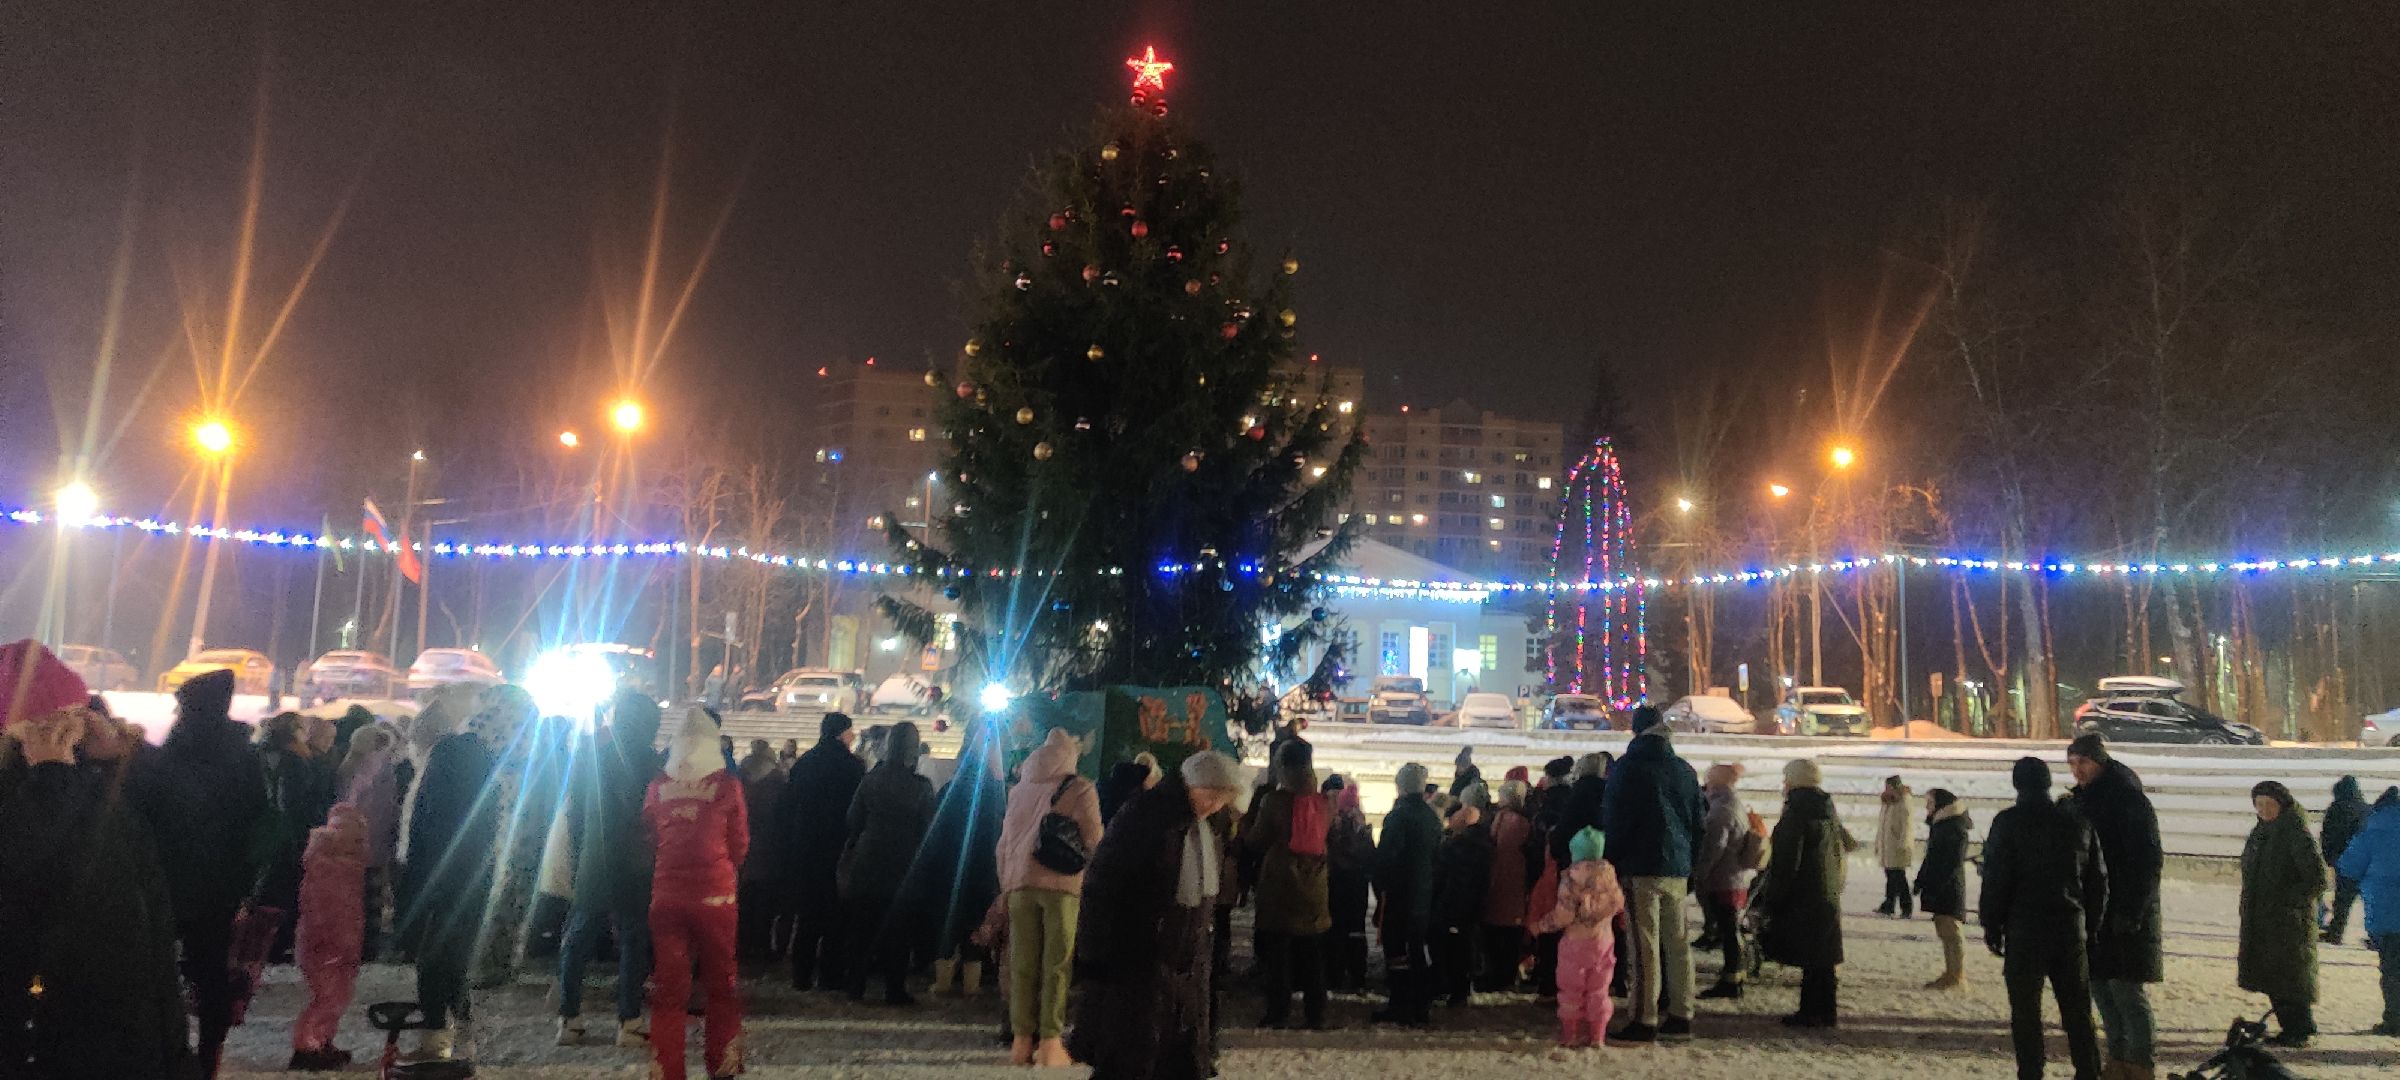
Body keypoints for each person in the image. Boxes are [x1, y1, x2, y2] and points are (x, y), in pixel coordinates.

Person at [0, 650, 190, 1080]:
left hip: (127, 1034)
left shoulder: (103, 791)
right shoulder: (37, 796)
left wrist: (130, 758)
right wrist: (50, 779)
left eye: (75, 719)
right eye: (52, 723)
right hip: (49, 1040)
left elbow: (192, 828)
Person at [1067, 750, 1246, 1080]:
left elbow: (1205, 906)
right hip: (1138, 964)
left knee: (1175, 1060)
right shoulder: (1145, 818)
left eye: (1222, 799)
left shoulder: (1202, 830)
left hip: (1186, 973)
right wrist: (1095, 957)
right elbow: (1102, 886)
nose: (1215, 806)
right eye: (1212, 796)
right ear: (1192, 785)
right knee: (1129, 1059)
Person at [138, 667, 267, 1078]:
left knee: (160, 970)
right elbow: (257, 820)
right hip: (219, 884)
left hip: (167, 880)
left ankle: (165, 1051)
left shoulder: (173, 754)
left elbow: (152, 815)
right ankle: (208, 1056)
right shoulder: (243, 757)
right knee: (209, 971)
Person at [396, 685, 504, 1061]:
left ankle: (435, 1035)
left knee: (434, 959)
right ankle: (463, 1031)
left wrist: (412, 887)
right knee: (455, 957)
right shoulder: (479, 764)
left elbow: (422, 830)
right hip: (473, 875)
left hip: (439, 877)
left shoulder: (442, 761)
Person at [1982, 756, 2105, 1080]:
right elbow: (2096, 881)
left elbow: (1996, 878)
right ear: (2049, 782)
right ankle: (2089, 1070)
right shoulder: (2076, 823)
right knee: (2077, 1011)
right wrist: (2090, 927)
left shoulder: (2007, 823)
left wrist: (1991, 924)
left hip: (2024, 930)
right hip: (2069, 928)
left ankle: (2032, 1072)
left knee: (2025, 1012)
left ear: (2017, 784)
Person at [642, 706, 749, 1080]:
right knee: (721, 985)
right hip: (715, 899)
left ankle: (666, 1070)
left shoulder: (658, 786)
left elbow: (651, 836)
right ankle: (722, 1064)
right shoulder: (726, 786)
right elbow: (739, 845)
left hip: (666, 897)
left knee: (670, 991)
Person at [555, 691, 662, 1048]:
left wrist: (578, 852)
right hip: (637, 861)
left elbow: (576, 810)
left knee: (579, 935)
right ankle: (628, 1020)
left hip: (595, 856)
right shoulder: (652, 762)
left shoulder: (594, 756)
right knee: (633, 941)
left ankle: (569, 1017)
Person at [996, 728, 1103, 1064]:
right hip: (1062, 886)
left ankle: (1021, 1041)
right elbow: (1094, 838)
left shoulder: (1019, 790)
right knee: (1056, 964)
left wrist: (1006, 883)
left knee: (1022, 963)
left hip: (1019, 885)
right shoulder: (1080, 787)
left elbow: (1004, 843)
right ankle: (1051, 1041)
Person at [1601, 705, 1705, 1042]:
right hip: (1677, 864)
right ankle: (1682, 1014)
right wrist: (1691, 864)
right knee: (1677, 943)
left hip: (1641, 864)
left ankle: (1644, 1017)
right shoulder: (1684, 770)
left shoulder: (1628, 768)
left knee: (1644, 944)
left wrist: (1611, 860)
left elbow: (1617, 820)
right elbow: (1697, 822)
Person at [2065, 732, 2163, 1079]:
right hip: (2093, 913)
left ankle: (2140, 1063)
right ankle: (2119, 1060)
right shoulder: (2080, 801)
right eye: (2073, 763)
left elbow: (2147, 861)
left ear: (2100, 761)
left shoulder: (2127, 800)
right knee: (2101, 989)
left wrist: (2132, 911)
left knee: (2126, 993)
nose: (2078, 770)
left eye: (2084, 762)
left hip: (2122, 912)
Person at [838, 719, 934, 1004]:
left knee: (862, 928)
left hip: (869, 858)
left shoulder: (872, 780)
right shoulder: (921, 786)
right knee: (898, 930)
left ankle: (855, 985)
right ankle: (894, 988)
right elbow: (928, 826)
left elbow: (852, 819)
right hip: (904, 862)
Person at [908, 724, 1005, 999]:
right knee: (975, 924)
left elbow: (934, 831)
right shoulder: (994, 793)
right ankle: (972, 985)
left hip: (949, 868)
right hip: (983, 867)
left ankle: (943, 982)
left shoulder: (949, 791)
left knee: (947, 925)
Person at [1245, 740, 1332, 1029]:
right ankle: (1315, 1012)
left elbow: (1257, 839)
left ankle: (1278, 1011)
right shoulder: (1325, 802)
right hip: (1315, 884)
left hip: (1281, 883)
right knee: (1312, 952)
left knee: (1278, 952)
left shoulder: (1274, 801)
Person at [1753, 757, 1846, 1028]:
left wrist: (1772, 899)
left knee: (1813, 956)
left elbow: (1785, 863)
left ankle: (1812, 1012)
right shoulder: (1826, 810)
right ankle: (1822, 1010)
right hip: (1825, 892)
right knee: (1821, 958)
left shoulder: (1797, 813)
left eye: (1786, 779)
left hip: (1804, 894)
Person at [776, 712, 864, 991]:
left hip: (806, 845)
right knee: (835, 914)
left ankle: (801, 974)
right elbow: (855, 811)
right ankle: (830, 973)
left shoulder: (805, 763)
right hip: (838, 845)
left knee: (808, 912)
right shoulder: (852, 766)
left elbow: (789, 805)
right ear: (843, 733)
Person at [2239, 780, 2325, 1048]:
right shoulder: (2263, 831)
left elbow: (2317, 879)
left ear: (2282, 805)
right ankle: (2296, 1025)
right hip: (2265, 917)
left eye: (2269, 804)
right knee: (2276, 976)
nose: (2264, 809)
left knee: (2289, 977)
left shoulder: (2293, 831)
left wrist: (2287, 902)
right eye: (2259, 804)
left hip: (2288, 921)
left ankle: (2298, 1029)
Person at [290, 803, 369, 1071]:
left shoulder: (349, 867)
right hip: (324, 945)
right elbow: (318, 911)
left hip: (344, 943)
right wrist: (327, 940)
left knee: (339, 996)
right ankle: (306, 1045)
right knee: (327, 997)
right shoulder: (325, 868)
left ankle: (322, 1040)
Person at [1537, 826, 1625, 1048]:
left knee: (1571, 988)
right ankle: (1597, 1034)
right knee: (1599, 988)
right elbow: (1618, 904)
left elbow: (1563, 915)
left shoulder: (1571, 879)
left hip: (1575, 942)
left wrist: (1543, 925)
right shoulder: (1609, 876)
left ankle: (1571, 1033)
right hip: (1604, 940)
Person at [257, 710, 333, 960]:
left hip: (269, 831)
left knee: (271, 889)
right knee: (286, 889)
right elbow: (293, 801)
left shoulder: (264, 752)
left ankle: (267, 941)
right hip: (290, 834)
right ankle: (277, 943)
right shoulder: (293, 759)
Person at [1372, 762, 1442, 1026]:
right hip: (1423, 890)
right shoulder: (1430, 815)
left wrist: (1380, 885)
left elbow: (1387, 855)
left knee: (1396, 948)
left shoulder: (1399, 815)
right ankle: (1420, 1004)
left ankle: (1400, 1002)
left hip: (1400, 891)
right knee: (1416, 948)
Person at [2334, 786, 2400, 1035]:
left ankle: (2395, 1020)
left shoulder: (2371, 832)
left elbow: (2348, 867)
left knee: (2393, 970)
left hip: (2387, 915)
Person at [338, 722, 403, 961]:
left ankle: (351, 943)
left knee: (352, 896)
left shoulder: (348, 767)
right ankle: (367, 946)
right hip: (372, 841)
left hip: (350, 840)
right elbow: (384, 809)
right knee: (370, 897)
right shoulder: (380, 769)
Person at [1692, 762, 1757, 999]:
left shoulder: (1720, 809)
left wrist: (1699, 873)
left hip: (1723, 879)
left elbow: (1713, 847)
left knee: (1729, 930)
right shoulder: (1733, 804)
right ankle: (1734, 976)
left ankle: (1732, 978)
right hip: (1733, 876)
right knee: (1730, 930)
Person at [1431, 802, 1494, 1006]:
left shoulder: (1455, 847)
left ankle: (1453, 988)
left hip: (1453, 904)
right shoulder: (1486, 844)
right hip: (1474, 905)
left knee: (1452, 947)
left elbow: (1441, 877)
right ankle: (1462, 987)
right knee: (1465, 945)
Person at [736, 738, 791, 963]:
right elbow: (784, 817)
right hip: (769, 848)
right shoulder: (777, 782)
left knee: (745, 900)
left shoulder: (740, 779)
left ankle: (743, 944)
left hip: (746, 849)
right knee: (766, 903)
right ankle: (762, 946)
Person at [1914, 788, 1973, 991]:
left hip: (1947, 888)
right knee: (1945, 931)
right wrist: (1922, 880)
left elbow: (1951, 862)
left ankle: (1956, 975)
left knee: (1952, 932)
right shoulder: (1942, 824)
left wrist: (1935, 883)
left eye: (1929, 802)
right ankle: (1951, 972)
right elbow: (1931, 857)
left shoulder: (1953, 827)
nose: (1926, 807)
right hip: (1940, 886)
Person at [1480, 778, 1536, 992]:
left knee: (1496, 931)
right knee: (1510, 931)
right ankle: (1506, 974)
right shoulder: (1524, 820)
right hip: (1516, 883)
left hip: (1501, 880)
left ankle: (1497, 975)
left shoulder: (1505, 820)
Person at [1322, 775, 1375, 992]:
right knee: (1355, 930)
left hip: (1336, 882)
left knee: (1335, 929)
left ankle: (1334, 975)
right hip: (1357, 885)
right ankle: (1357, 977)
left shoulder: (1332, 824)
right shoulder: (1361, 825)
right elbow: (1370, 855)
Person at [2323, 775, 2370, 945]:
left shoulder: (2336, 809)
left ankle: (2335, 933)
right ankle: (2376, 937)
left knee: (2342, 901)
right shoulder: (2367, 809)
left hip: (2345, 863)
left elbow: (2328, 835)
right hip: (2367, 863)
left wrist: (2329, 858)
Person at [1874, 774, 1916, 918]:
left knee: (1898, 876)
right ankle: (1889, 904)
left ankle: (1906, 906)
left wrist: (1904, 843)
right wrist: (1878, 843)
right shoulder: (1887, 802)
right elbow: (1882, 825)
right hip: (1887, 844)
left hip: (1897, 846)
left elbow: (1907, 825)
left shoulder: (1904, 802)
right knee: (1891, 875)